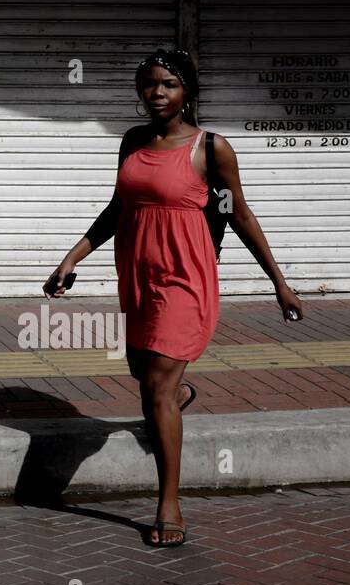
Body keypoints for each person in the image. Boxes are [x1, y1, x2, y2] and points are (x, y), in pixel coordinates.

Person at [45, 47, 305, 547]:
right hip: (137, 275)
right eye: (149, 84)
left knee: (156, 390)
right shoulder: (132, 141)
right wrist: (73, 257)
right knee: (143, 374)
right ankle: (178, 397)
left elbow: (240, 216)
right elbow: (119, 207)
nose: (157, 93)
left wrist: (279, 282)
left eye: (168, 84)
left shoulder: (211, 149)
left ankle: (169, 504)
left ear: (187, 91)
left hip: (186, 280)